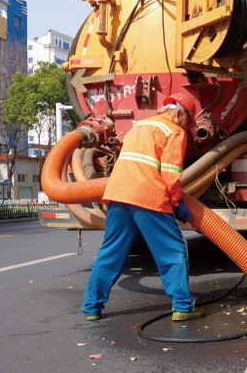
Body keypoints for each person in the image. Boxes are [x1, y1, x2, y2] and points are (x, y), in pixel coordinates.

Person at [82, 92, 207, 322]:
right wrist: (177, 203)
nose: (186, 127)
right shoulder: (174, 131)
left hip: (118, 194)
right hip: (148, 197)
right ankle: (182, 307)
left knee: (110, 253)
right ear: (178, 114)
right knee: (172, 251)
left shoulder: (138, 127)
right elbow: (171, 174)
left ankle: (91, 307)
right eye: (187, 121)